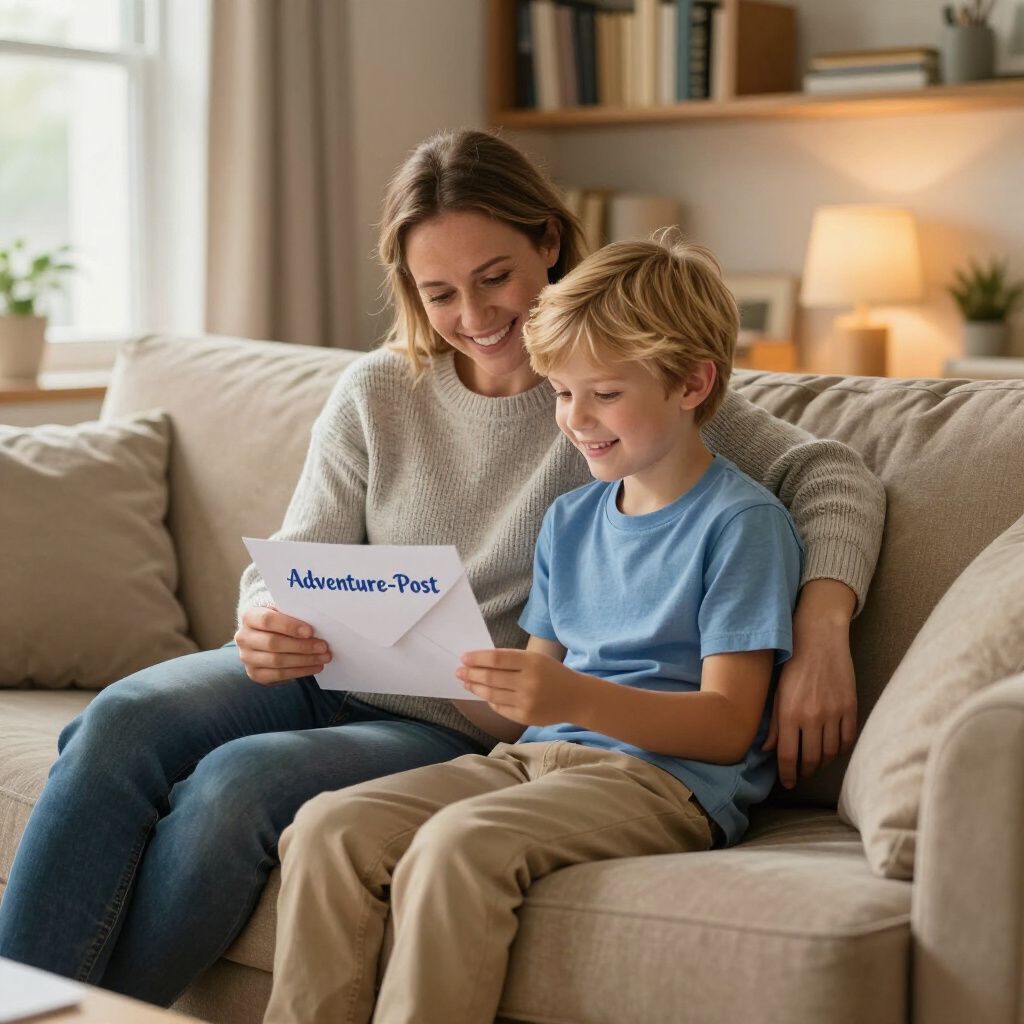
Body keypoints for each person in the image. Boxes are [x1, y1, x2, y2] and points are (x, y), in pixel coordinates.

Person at [0, 128, 883, 1007]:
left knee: (234, 788)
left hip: (458, 716)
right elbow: (298, 551)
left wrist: (820, 625)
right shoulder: (379, 391)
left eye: (496, 276)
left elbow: (830, 473)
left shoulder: (603, 376)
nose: (475, 315)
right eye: (439, 293)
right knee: (118, 720)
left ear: (549, 241)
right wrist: (266, 619)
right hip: (323, 667)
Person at [262, 235, 805, 1024]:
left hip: (663, 783)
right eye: (560, 394)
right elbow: (520, 713)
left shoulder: (743, 525)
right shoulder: (571, 518)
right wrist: (446, 663)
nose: (575, 420)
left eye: (605, 395)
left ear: (693, 383)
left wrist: (569, 695)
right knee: (327, 828)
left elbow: (726, 727)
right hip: (530, 759)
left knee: (458, 847)